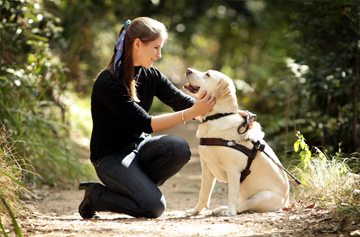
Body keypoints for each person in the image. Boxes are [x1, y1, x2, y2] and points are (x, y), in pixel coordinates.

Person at [79, 17, 254, 219]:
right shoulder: (108, 82)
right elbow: (145, 123)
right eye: (155, 48)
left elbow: (184, 103)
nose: (159, 55)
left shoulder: (151, 75)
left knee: (178, 147)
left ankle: (137, 188)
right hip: (110, 158)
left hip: (139, 149)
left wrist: (229, 115)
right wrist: (191, 113)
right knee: (153, 208)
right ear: (137, 44)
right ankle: (95, 196)